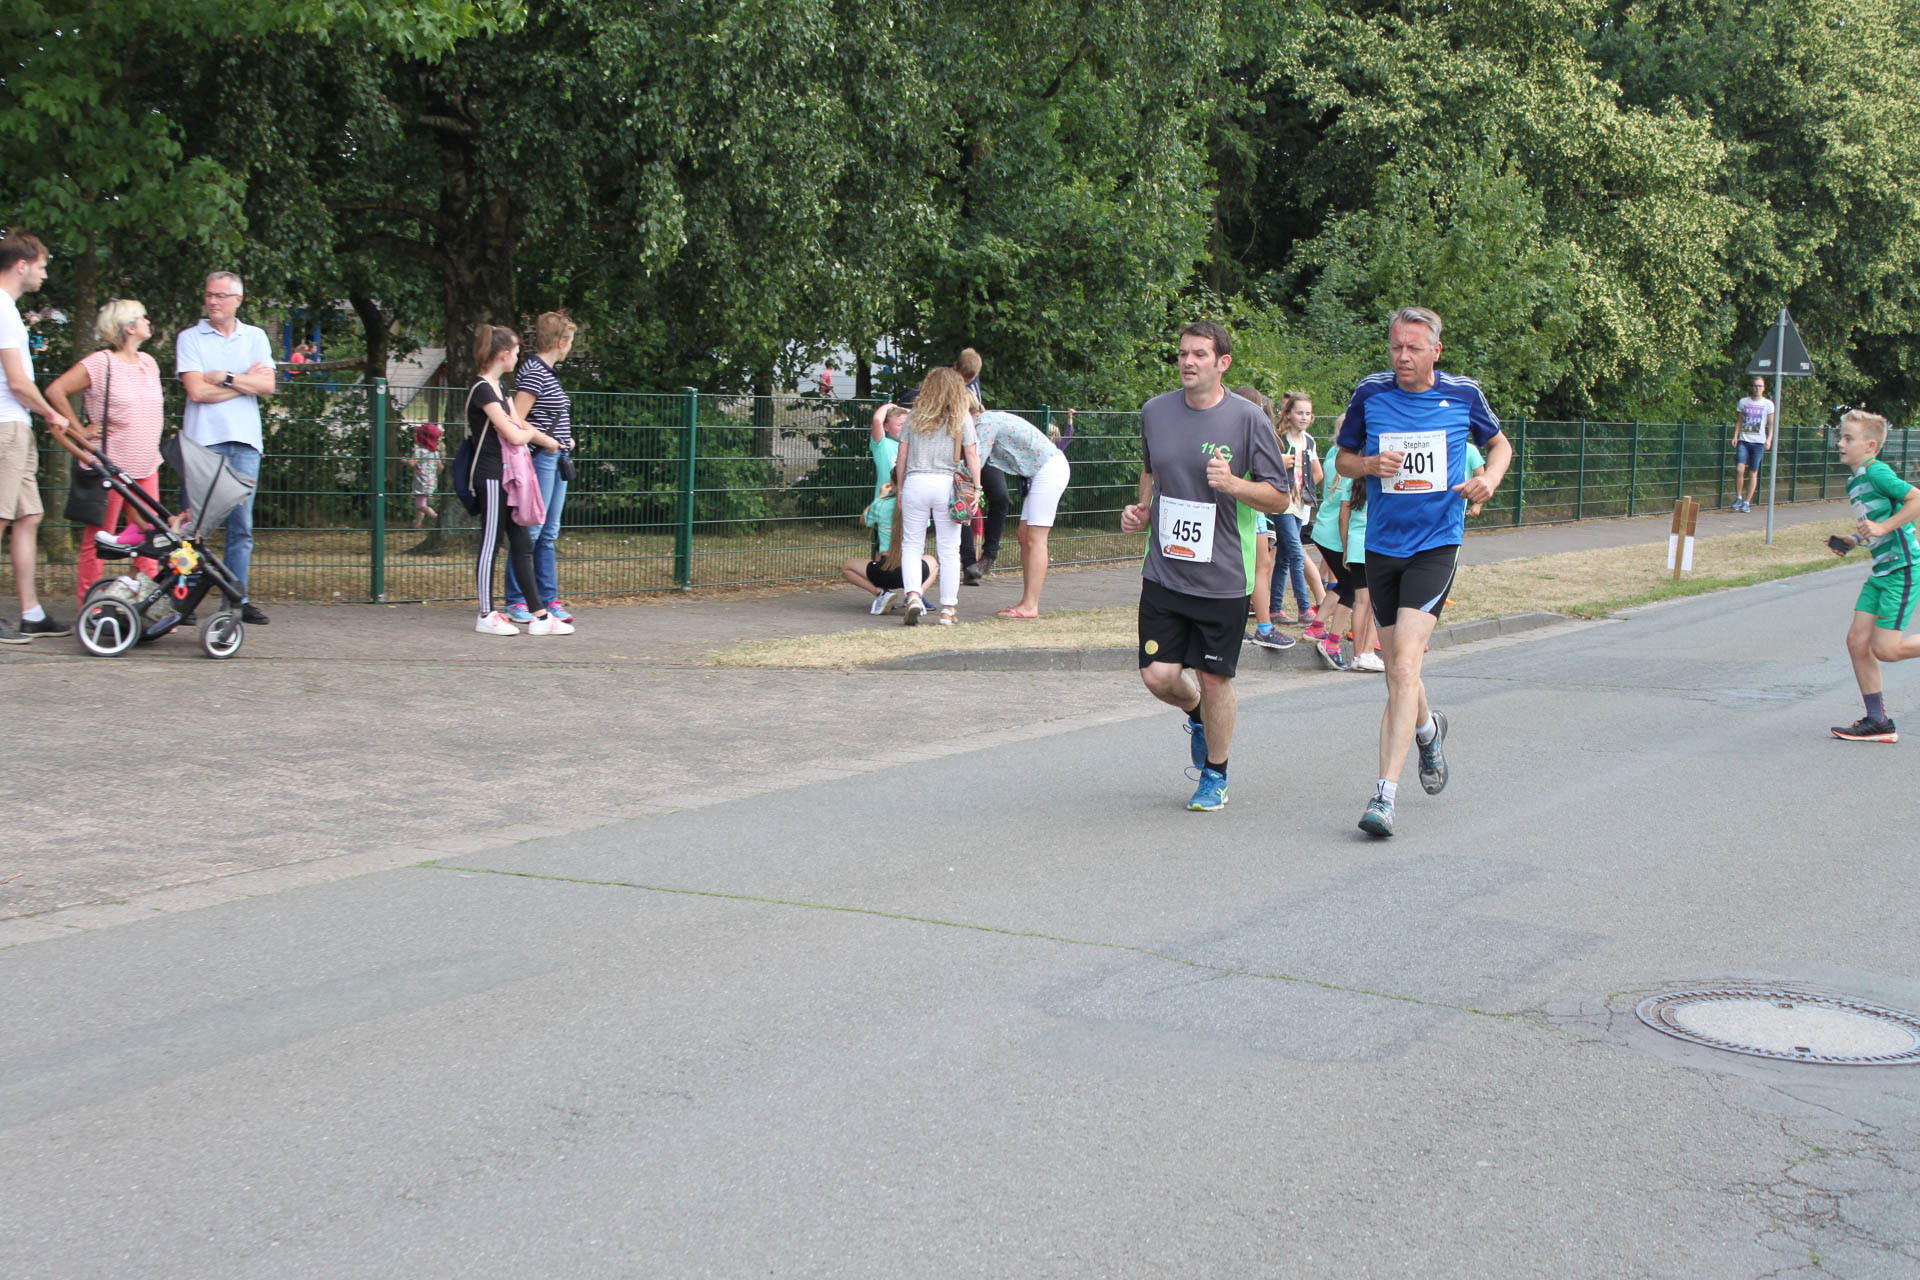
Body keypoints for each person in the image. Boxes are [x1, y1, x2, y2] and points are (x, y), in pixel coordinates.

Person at [1336, 306, 1510, 837]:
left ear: (1436, 350)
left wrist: (1490, 480)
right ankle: (1430, 730)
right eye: (1396, 346)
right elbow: (1343, 459)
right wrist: (1369, 465)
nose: (1403, 356)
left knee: (1405, 664)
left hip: (1436, 544)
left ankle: (1383, 797)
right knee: (1398, 669)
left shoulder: (1463, 394)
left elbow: (1499, 445)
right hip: (1383, 545)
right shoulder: (1371, 392)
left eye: (1413, 347)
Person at [1119, 321, 1289, 811]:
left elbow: (1280, 497)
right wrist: (1141, 510)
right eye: (1182, 354)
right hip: (1165, 570)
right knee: (1158, 675)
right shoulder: (1155, 412)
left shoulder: (1248, 419)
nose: (1188, 362)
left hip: (1223, 577)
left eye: (1199, 354)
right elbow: (1151, 470)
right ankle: (1195, 712)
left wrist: (1234, 485)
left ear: (1223, 363)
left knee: (1216, 679)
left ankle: (1215, 774)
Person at [46, 299, 167, 601]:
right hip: (109, 467)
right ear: (129, 327)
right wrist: (79, 431)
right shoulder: (101, 363)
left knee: (150, 536)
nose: (148, 321)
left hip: (147, 464)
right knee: (99, 539)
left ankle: (145, 602)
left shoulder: (149, 362)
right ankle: (92, 605)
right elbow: (55, 391)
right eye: (142, 317)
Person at [176, 270, 275, 625]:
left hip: (246, 443)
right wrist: (244, 384)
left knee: (241, 525)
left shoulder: (256, 336)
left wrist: (226, 377)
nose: (212, 302)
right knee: (193, 524)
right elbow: (196, 391)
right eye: (208, 295)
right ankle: (182, 599)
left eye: (220, 296)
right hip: (202, 442)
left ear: (238, 300)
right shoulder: (190, 338)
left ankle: (236, 598)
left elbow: (268, 386)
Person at [467, 324, 570, 636]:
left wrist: (524, 431)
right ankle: (486, 613)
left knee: (523, 543)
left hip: (509, 476)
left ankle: (540, 615)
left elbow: (518, 426)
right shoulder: (482, 389)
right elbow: (514, 432)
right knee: (491, 543)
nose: (517, 357)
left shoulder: (501, 389)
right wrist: (524, 432)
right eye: (514, 351)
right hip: (490, 475)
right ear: (503, 354)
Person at [1828, 410, 1920, 742]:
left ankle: (1879, 721)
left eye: (1848, 438)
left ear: (1869, 445)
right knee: (1856, 642)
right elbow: (1877, 521)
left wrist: (1882, 528)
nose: (1840, 443)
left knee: (1886, 650)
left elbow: (1916, 499)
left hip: (1901, 569)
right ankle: (1878, 721)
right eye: (1841, 437)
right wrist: (1855, 539)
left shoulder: (1877, 471)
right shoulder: (1855, 481)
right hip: (1881, 570)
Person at [0, 229, 71, 643]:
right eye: (41, 266)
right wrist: (50, 412)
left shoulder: (9, 310)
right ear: (22, 265)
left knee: (29, 516)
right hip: (6, 426)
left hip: (17, 425)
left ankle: (31, 613)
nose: (44, 274)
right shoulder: (3, 309)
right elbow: (17, 382)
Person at [884, 367, 982, 626]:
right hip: (946, 484)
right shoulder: (961, 417)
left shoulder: (915, 415)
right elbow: (972, 454)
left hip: (915, 482)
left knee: (911, 544)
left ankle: (913, 596)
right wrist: (977, 488)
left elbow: (902, 455)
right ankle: (948, 609)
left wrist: (901, 487)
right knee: (949, 549)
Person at [503, 312, 577, 624]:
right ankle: (517, 600)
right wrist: (548, 441)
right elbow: (516, 418)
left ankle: (548, 599)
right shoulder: (535, 372)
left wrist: (565, 440)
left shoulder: (547, 372)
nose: (570, 347)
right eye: (570, 341)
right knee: (531, 531)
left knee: (548, 533)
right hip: (542, 458)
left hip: (557, 457)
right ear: (560, 342)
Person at [972, 406, 1070, 619]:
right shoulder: (987, 420)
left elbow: (976, 461)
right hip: (1040, 472)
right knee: (1024, 535)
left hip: (1048, 469)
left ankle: (1031, 605)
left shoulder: (984, 423)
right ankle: (1026, 601)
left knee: (1035, 538)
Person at [1229, 385, 1294, 652]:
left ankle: (1254, 625)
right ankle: (1260, 627)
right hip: (1245, 508)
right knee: (1255, 567)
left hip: (1254, 509)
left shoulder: (1252, 432)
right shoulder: (1238, 434)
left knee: (1261, 565)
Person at [1306, 426, 1375, 672]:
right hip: (1335, 535)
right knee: (1352, 589)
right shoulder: (1354, 469)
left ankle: (1317, 628)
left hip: (1328, 530)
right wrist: (1346, 549)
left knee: (1347, 586)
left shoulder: (1338, 456)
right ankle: (1332, 642)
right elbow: (1345, 513)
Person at [954, 348, 1006, 584]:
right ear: (956, 368)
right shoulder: (945, 381)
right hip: (960, 452)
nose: (968, 380)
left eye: (971, 377)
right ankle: (969, 564)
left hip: (982, 448)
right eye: (965, 376)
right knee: (963, 504)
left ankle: (989, 555)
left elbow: (977, 408)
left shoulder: (973, 381)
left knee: (1001, 496)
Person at [1274, 391, 1324, 623]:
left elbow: (1315, 473)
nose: (1304, 417)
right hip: (1281, 502)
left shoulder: (1309, 441)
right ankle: (1304, 608)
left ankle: (1275, 608)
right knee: (1296, 553)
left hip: (1299, 503)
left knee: (1284, 557)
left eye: (1308, 414)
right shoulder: (1279, 439)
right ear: (1288, 414)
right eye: (1299, 413)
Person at [866, 403, 905, 560]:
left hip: (905, 502)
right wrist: (890, 406)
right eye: (899, 424)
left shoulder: (911, 445)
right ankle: (880, 572)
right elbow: (877, 420)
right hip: (885, 503)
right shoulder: (882, 445)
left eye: (906, 424)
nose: (904, 428)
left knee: (907, 543)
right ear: (886, 427)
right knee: (882, 546)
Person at [842, 551, 938, 615]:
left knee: (847, 567)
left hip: (884, 574)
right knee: (933, 563)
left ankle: (881, 593)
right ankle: (915, 595)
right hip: (912, 573)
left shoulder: (881, 524)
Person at [1731, 376, 1774, 513]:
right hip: (1744, 440)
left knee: (1753, 472)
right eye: (1756, 385)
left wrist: (1769, 439)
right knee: (1739, 469)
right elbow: (1739, 421)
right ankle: (1738, 497)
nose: (1757, 388)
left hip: (1759, 442)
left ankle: (1747, 502)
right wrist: (1735, 436)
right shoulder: (1743, 402)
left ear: (1764, 388)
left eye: (1760, 386)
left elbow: (1771, 424)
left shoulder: (1768, 404)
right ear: (1752, 387)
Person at [408, 422, 442, 530]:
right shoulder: (435, 453)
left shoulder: (419, 451)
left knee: (420, 505)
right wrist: (433, 475)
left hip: (421, 482)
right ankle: (417, 524)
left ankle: (437, 518)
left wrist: (403, 460)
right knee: (421, 502)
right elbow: (440, 467)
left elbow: (412, 463)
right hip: (431, 482)